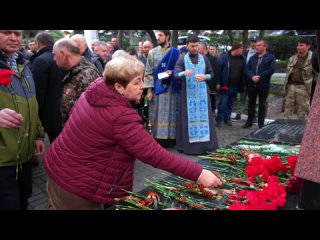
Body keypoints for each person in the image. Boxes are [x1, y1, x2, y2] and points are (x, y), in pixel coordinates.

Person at [43, 56, 222, 210]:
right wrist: (200, 173)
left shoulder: (96, 89)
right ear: (119, 87)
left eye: (142, 79)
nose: (143, 86)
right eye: (137, 82)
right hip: (78, 190)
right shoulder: (120, 116)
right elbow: (155, 155)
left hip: (59, 172)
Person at [0, 30, 45, 210]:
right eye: (6, 32)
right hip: (3, 160)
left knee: (24, 198)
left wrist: (38, 135)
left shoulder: (24, 64)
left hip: (24, 154)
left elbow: (31, 103)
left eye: (17, 33)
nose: (13, 38)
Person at [174, 35, 219, 155]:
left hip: (203, 95)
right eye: (192, 46)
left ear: (199, 45)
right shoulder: (182, 58)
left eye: (196, 45)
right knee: (187, 119)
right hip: (188, 95)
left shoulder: (204, 58)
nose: (194, 48)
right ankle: (188, 147)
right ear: (187, 46)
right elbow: (176, 74)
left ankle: (206, 146)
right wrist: (184, 73)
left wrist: (205, 77)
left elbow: (211, 74)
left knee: (205, 119)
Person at [144, 30, 180, 148]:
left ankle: (171, 139)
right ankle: (156, 139)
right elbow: (148, 73)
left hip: (171, 89)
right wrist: (149, 90)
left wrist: (173, 73)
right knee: (156, 114)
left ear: (167, 36)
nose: (158, 38)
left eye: (160, 35)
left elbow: (179, 71)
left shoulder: (176, 53)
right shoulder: (152, 53)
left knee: (171, 113)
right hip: (158, 89)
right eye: (157, 35)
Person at [53, 38, 100, 127]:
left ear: (63, 54)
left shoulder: (84, 74)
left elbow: (90, 114)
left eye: (55, 54)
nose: (54, 58)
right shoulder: (76, 71)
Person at [30, 31, 66, 143]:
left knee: (57, 147)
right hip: (64, 110)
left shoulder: (40, 60)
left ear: (38, 44)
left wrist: (36, 114)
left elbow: (38, 90)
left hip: (50, 113)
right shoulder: (61, 57)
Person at [242, 40, 276, 129]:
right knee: (251, 103)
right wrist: (252, 77)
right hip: (252, 84)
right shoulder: (253, 57)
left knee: (262, 104)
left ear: (265, 47)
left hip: (263, 84)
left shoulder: (271, 57)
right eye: (256, 45)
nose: (256, 47)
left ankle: (261, 124)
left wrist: (259, 76)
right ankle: (249, 122)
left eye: (259, 45)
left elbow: (271, 70)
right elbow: (246, 69)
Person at [283, 38, 316, 120]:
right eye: (298, 45)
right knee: (287, 109)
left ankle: (302, 130)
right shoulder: (292, 58)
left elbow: (317, 75)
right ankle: (285, 128)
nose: (298, 47)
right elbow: (288, 73)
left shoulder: (313, 58)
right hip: (291, 86)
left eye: (301, 45)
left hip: (303, 87)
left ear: (308, 46)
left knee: (303, 110)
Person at [215, 42, 246, 127]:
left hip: (235, 86)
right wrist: (218, 82)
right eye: (241, 49)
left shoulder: (242, 58)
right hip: (225, 86)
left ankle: (227, 118)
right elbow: (218, 71)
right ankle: (219, 120)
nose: (242, 50)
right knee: (223, 103)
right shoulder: (225, 57)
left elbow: (244, 71)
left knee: (230, 103)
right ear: (236, 49)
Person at [234, 36, 259, 121]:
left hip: (253, 79)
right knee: (242, 97)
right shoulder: (245, 53)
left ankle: (254, 115)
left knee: (253, 99)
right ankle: (239, 113)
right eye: (252, 41)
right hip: (244, 79)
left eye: (255, 42)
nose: (253, 43)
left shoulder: (259, 54)